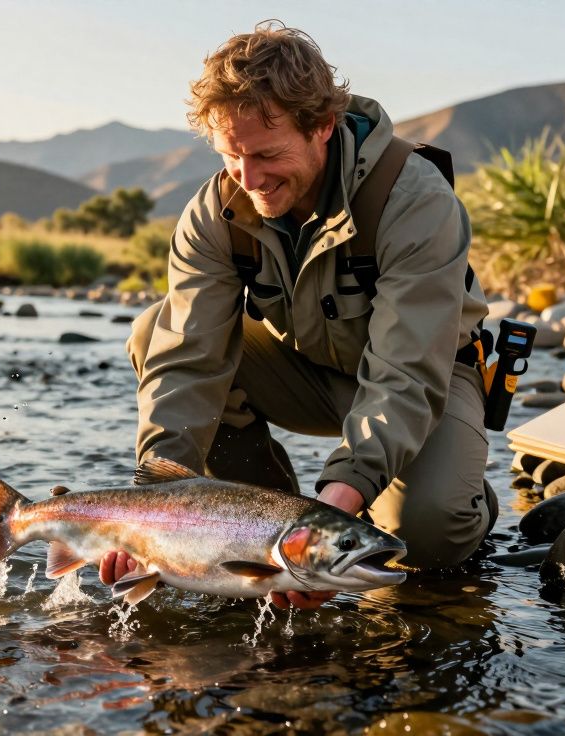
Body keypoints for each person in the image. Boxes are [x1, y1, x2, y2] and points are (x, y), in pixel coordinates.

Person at [101, 22, 496, 609]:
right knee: (151, 330)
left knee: (429, 537)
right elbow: (187, 361)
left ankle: (466, 497)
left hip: (423, 379)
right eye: (231, 156)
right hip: (304, 369)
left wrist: (334, 511)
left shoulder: (415, 201)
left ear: (323, 126)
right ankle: (254, 527)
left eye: (267, 154)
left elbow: (406, 374)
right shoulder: (214, 213)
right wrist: (154, 511)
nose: (249, 179)